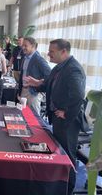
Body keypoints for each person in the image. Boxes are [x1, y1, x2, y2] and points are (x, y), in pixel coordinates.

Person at [24, 39, 86, 195]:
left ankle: (68, 188)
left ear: (63, 51)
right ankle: (59, 183)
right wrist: (36, 82)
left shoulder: (73, 69)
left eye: (52, 51)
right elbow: (48, 85)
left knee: (67, 155)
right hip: (57, 117)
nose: (48, 54)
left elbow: (78, 96)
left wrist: (66, 112)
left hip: (68, 121)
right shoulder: (59, 67)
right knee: (59, 151)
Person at [18, 37, 51, 116]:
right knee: (23, 114)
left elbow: (49, 75)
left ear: (33, 46)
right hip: (24, 90)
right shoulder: (25, 57)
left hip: (33, 93)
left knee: (34, 117)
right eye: (23, 46)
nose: (23, 48)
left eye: (26, 46)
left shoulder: (39, 59)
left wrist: (38, 83)